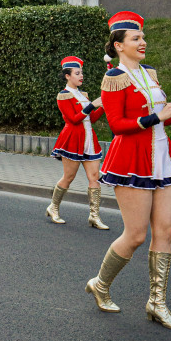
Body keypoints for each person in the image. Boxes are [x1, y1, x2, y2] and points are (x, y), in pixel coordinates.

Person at [84, 12, 171, 331]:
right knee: (136, 235)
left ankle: (157, 303)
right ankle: (100, 284)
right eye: (136, 38)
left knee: (165, 231)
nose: (143, 42)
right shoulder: (114, 77)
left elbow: (162, 116)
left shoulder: (150, 74)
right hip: (132, 159)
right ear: (119, 45)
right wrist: (156, 117)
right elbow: (116, 126)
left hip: (162, 156)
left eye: (143, 36)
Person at [47, 56, 108, 229]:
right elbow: (74, 119)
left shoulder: (83, 95)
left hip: (89, 139)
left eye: (82, 73)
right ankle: (53, 207)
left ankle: (94, 216)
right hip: (73, 139)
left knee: (94, 177)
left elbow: (92, 118)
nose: (81, 76)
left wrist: (102, 105)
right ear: (68, 76)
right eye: (77, 73)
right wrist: (91, 105)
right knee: (69, 177)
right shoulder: (63, 96)